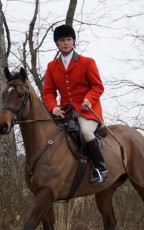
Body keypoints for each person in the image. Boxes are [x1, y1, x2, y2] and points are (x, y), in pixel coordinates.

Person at [42, 24, 108, 184]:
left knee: (86, 132)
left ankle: (101, 169)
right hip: (66, 113)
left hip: (87, 111)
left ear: (74, 42)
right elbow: (48, 92)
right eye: (62, 40)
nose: (66, 43)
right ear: (57, 43)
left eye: (68, 39)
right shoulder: (52, 66)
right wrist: (53, 107)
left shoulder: (87, 62)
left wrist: (89, 99)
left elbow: (98, 86)